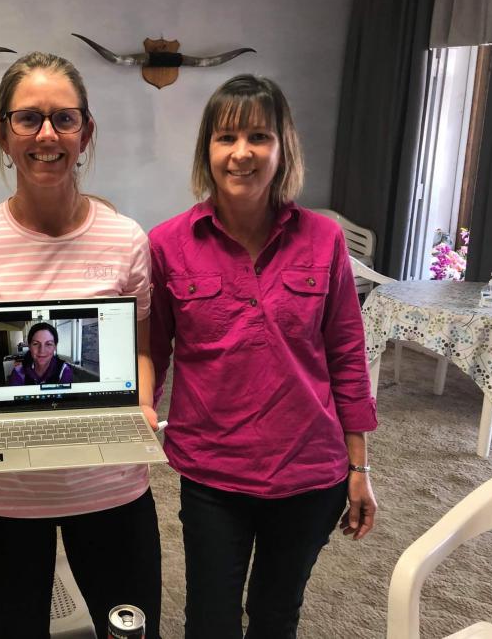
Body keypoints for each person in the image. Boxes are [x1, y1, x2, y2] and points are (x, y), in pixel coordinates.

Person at [0, 52, 162, 639]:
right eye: (28, 118)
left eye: (64, 118)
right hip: (1, 495)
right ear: (3, 134)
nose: (47, 135)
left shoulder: (127, 239)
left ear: (86, 133)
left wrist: (140, 400)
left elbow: (138, 352)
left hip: (110, 487)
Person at [149, 74, 378, 639]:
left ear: (284, 146)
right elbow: (149, 353)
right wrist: (131, 424)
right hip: (212, 472)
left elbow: (347, 356)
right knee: (210, 620)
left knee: (277, 616)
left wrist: (360, 468)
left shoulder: (324, 241)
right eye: (227, 137)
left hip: (309, 471)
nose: (242, 153)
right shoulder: (167, 244)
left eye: (259, 136)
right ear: (208, 148)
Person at [7, 321, 73, 385]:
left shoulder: (64, 371)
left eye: (48, 344)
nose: (42, 351)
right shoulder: (18, 372)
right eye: (36, 344)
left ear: (55, 346)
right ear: (29, 346)